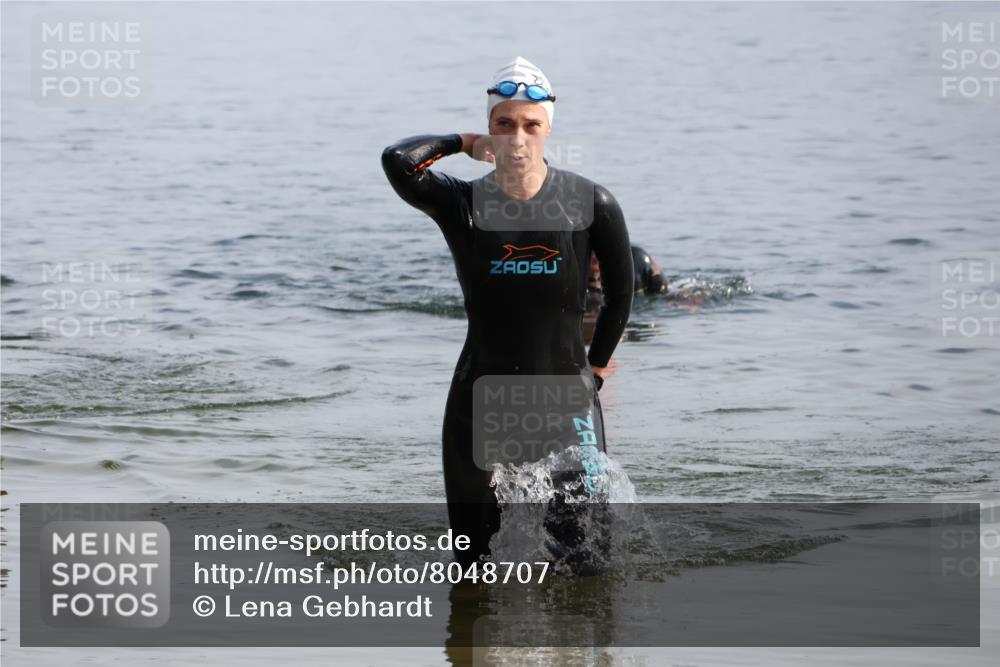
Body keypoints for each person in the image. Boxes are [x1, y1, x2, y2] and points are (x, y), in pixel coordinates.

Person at [382, 56, 634, 567]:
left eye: (530, 125)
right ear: (491, 129)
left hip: (568, 403)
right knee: (471, 564)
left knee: (588, 564)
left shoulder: (589, 202)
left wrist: (598, 369)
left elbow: (621, 294)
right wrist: (462, 142)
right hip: (480, 403)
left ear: (547, 130)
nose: (517, 138)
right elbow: (399, 160)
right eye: (504, 124)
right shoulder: (463, 204)